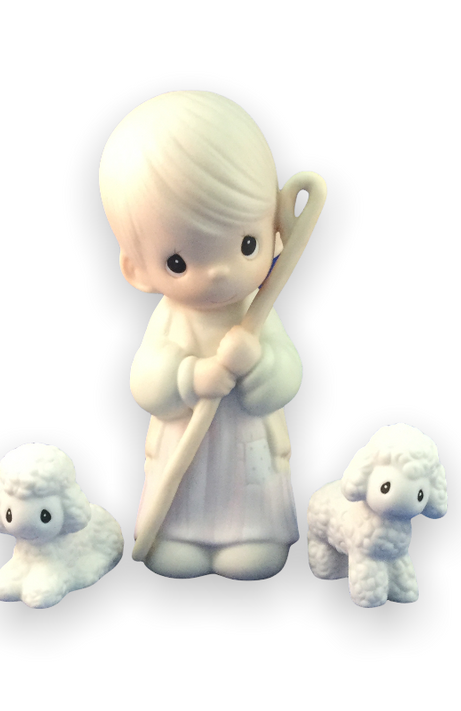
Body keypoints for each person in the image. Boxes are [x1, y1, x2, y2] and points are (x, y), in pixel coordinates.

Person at [99, 90, 302, 579]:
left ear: (275, 230)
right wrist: (189, 378)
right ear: (136, 269)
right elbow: (145, 380)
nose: (217, 273)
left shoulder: (257, 312)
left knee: (249, 498)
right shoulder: (171, 317)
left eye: (246, 244)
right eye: (179, 261)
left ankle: (252, 536)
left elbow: (288, 373)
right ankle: (178, 535)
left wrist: (262, 367)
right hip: (184, 445)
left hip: (245, 444)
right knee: (182, 500)